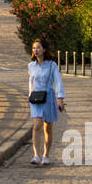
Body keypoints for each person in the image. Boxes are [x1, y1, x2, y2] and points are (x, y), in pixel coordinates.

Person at [26, 37, 66, 165]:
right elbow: (30, 82)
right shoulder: (31, 66)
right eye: (33, 48)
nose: (35, 50)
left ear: (44, 49)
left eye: (38, 47)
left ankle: (46, 155)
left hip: (48, 97)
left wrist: (60, 99)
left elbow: (58, 82)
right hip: (36, 98)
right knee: (37, 125)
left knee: (47, 127)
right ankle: (36, 155)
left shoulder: (52, 65)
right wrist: (30, 96)